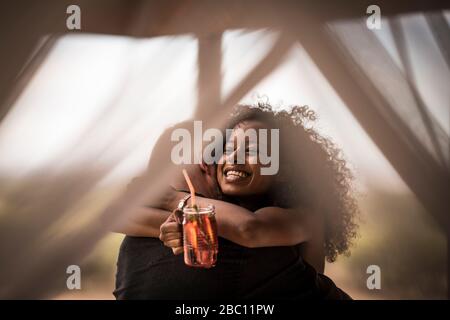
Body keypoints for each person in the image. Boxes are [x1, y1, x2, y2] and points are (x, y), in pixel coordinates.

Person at [113, 102, 358, 299]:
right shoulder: (214, 217)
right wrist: (183, 222)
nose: (235, 158)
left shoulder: (303, 216)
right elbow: (116, 218)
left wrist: (172, 199)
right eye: (226, 149)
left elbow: (249, 228)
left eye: (253, 150)